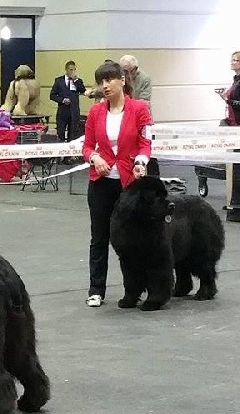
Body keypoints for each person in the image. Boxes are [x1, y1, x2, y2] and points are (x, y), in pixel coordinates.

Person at [82, 62, 152, 307]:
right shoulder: (95, 112)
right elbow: (87, 145)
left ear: (122, 80)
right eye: (101, 82)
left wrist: (141, 162)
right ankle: (96, 290)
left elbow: (145, 142)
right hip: (101, 184)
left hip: (129, 183)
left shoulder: (140, 108)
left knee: (133, 239)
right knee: (99, 237)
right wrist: (94, 157)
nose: (105, 86)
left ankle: (133, 289)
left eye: (109, 80)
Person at [50, 61, 87, 142]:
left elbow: (82, 90)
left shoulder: (78, 81)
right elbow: (52, 95)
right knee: (61, 132)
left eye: (74, 70)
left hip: (74, 111)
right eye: (71, 70)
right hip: (63, 111)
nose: (72, 72)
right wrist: (62, 100)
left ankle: (70, 153)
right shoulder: (59, 81)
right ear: (66, 69)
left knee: (73, 134)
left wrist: (76, 80)